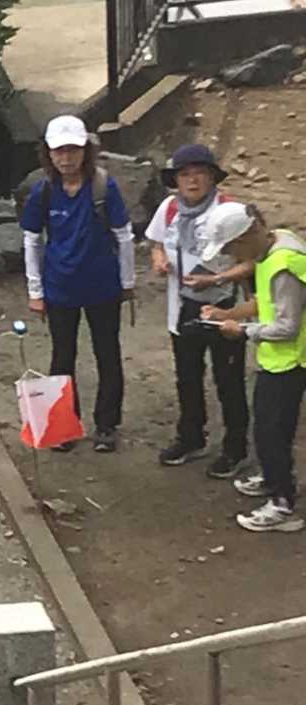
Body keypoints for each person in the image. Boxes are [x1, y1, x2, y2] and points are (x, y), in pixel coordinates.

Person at [19, 115, 136, 453]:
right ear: (49, 153)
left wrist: (127, 281)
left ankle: (106, 426)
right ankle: (64, 425)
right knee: (62, 356)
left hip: (102, 285)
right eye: (59, 151)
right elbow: (31, 240)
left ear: (85, 151)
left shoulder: (102, 187)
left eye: (73, 150)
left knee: (107, 353)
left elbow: (123, 235)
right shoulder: (43, 191)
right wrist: (36, 291)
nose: (66, 158)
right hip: (60, 286)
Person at [145, 144, 252, 476]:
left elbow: (251, 260)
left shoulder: (230, 211)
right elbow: (156, 243)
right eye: (185, 174)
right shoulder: (169, 209)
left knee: (228, 379)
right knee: (187, 377)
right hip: (182, 306)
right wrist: (160, 261)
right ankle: (191, 437)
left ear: (212, 177)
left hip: (225, 306)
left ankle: (235, 448)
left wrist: (217, 278)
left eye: (200, 173)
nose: (192, 181)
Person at [200, 203, 306, 533]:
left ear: (246, 236)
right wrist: (228, 314)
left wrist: (243, 331)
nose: (231, 257)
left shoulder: (283, 265)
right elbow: (267, 302)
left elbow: (287, 326)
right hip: (278, 358)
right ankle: (273, 477)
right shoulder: (276, 246)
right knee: (269, 426)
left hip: (290, 360)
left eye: (231, 248)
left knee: (272, 431)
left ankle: (282, 502)